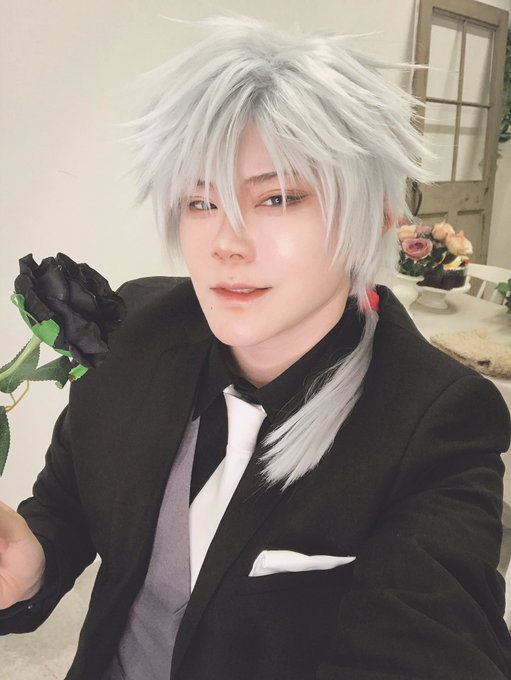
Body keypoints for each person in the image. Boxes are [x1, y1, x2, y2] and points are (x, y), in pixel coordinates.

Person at [1, 15, 510, 680]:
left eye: (277, 198)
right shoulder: (134, 327)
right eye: (200, 202)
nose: (227, 244)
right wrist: (35, 559)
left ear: (377, 216)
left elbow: (435, 634)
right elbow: (72, 497)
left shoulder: (436, 420)